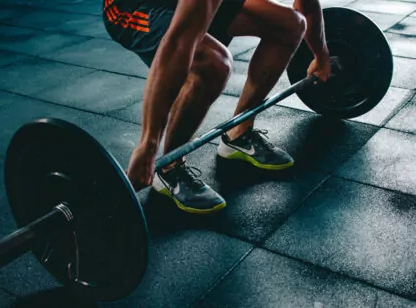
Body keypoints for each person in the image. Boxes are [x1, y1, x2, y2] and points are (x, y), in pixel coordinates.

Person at [103, 0, 331, 214]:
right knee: (214, 63)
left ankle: (238, 133)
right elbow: (179, 44)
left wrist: (321, 56)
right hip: (133, 6)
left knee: (290, 24)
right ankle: (170, 168)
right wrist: (148, 145)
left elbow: (307, 7)